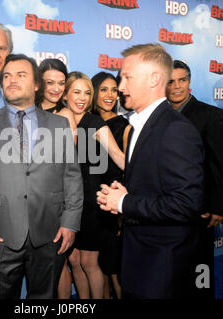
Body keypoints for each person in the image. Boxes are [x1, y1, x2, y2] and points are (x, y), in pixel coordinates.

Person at [0, 54, 83, 299]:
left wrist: (70, 222)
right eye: (6, 76)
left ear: (37, 84)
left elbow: (71, 176)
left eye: (20, 75)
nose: (11, 80)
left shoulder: (59, 125)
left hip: (50, 233)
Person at [97, 43, 204, 299]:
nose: (121, 87)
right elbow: (156, 186)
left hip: (163, 266)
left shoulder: (175, 129)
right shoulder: (138, 126)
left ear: (155, 79)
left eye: (128, 78)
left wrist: (124, 202)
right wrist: (127, 193)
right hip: (140, 257)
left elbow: (186, 204)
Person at [166, 60, 223, 298]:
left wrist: (219, 206)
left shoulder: (211, 115)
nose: (176, 87)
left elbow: (222, 166)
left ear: (189, 82)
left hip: (200, 210)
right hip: (166, 209)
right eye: (170, 81)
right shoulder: (158, 116)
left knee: (200, 267)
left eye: (181, 80)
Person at [63, 71, 125, 299]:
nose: (82, 98)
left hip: (93, 204)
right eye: (76, 92)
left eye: (87, 93)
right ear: (65, 94)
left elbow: (119, 157)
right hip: (69, 204)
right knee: (74, 260)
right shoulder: (58, 121)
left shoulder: (95, 122)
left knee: (89, 262)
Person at [36, 58, 76, 299]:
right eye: (50, 82)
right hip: (30, 199)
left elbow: (65, 159)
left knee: (58, 265)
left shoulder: (65, 114)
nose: (56, 88)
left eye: (61, 83)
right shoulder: (26, 110)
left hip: (56, 200)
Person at [91, 71, 130, 299]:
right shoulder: (86, 122)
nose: (110, 95)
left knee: (115, 267)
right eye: (104, 89)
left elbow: (128, 168)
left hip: (114, 202)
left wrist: (122, 210)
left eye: (114, 90)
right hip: (91, 199)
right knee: (98, 264)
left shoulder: (123, 125)